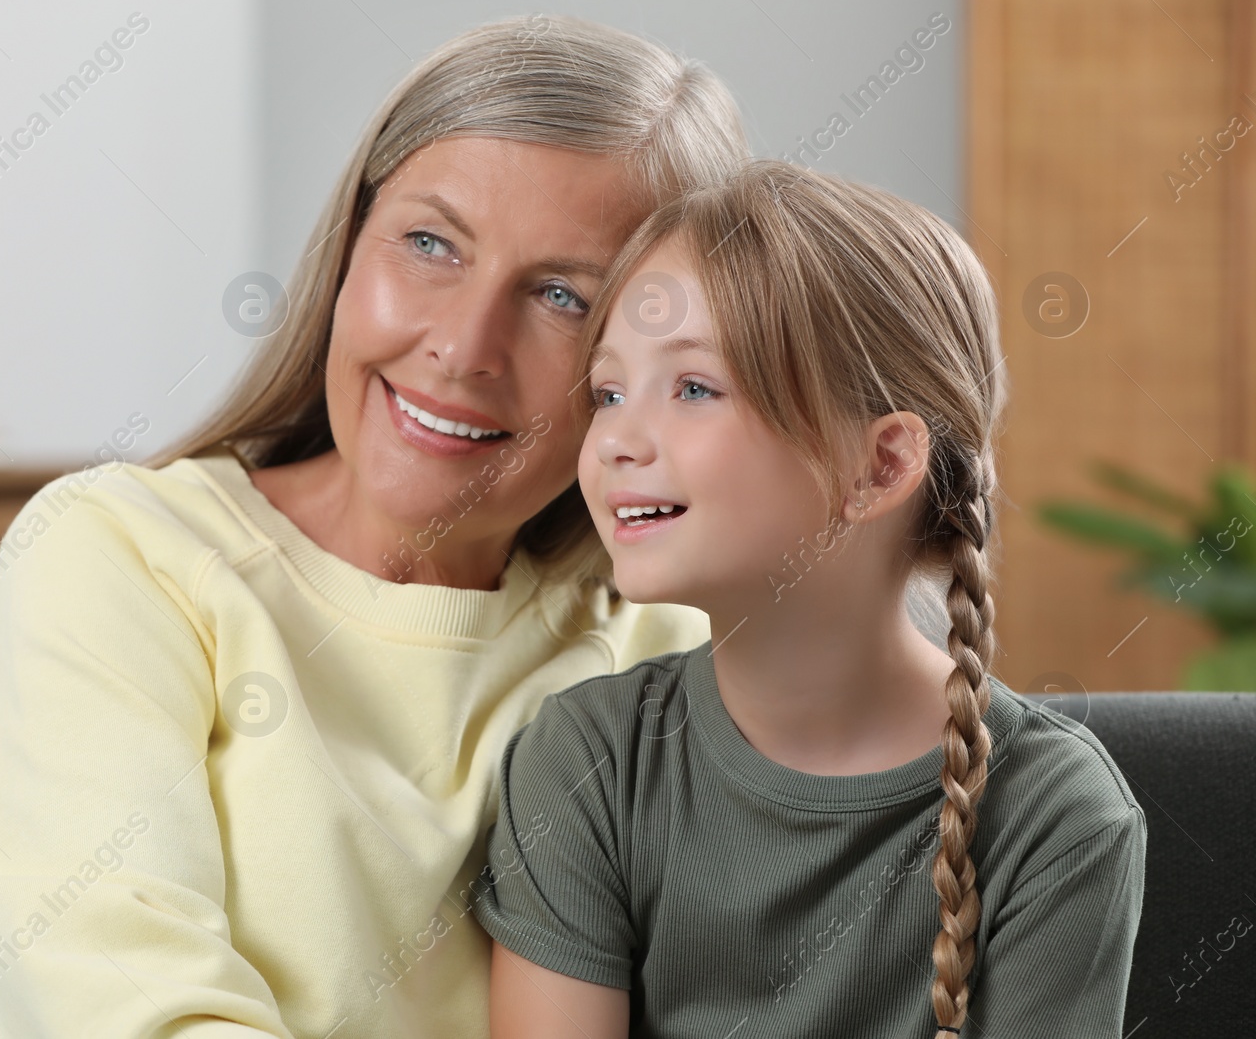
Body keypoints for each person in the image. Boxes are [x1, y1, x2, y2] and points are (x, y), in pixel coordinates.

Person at [0, 14, 752, 1038]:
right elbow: (118, 1003)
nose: (463, 346)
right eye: (430, 243)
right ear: (348, 246)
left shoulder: (671, 648)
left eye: (563, 295)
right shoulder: (120, 551)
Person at [476, 160, 1148, 1038]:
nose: (614, 442)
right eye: (608, 391)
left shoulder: (1059, 815)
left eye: (692, 388)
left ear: (881, 465)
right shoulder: (585, 765)